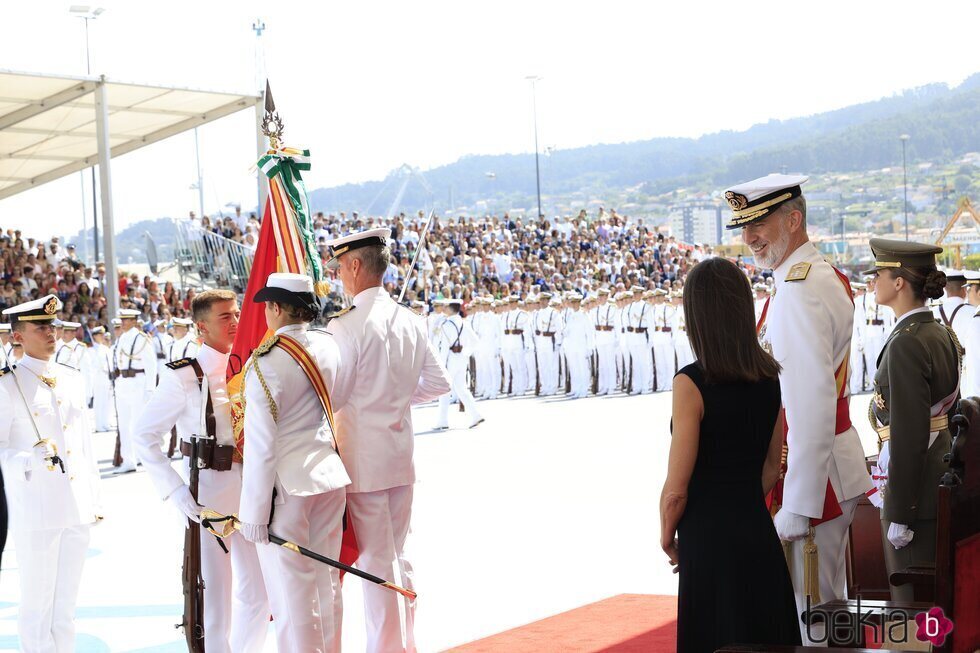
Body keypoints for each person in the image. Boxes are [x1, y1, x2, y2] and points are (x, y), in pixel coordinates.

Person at [732, 173, 872, 639]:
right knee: (828, 612)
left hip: (816, 477)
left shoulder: (797, 289)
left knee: (809, 619)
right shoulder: (817, 274)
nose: (749, 238)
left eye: (759, 225)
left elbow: (808, 400)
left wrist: (799, 501)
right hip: (831, 463)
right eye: (744, 228)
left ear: (793, 220)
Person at [661, 257, 800, 653]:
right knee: (762, 636)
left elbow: (677, 489)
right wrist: (740, 502)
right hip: (755, 530)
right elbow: (773, 466)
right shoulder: (769, 374)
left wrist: (667, 534)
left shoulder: (690, 383)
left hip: (708, 541)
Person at [324, 227, 451, 653]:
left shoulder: (346, 325)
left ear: (356, 266)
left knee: (379, 563)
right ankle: (406, 644)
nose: (340, 275)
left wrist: (371, 403)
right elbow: (438, 382)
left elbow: (336, 395)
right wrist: (393, 400)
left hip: (364, 461)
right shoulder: (411, 320)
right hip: (400, 456)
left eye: (341, 266)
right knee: (398, 557)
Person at [132, 289, 269, 653]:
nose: (235, 322)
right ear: (201, 327)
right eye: (225, 317)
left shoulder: (251, 366)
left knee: (260, 591)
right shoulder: (185, 375)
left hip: (251, 489)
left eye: (237, 314)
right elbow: (144, 435)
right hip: (208, 493)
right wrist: (177, 492)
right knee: (216, 595)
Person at [237, 273, 351, 652]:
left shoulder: (266, 362)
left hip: (288, 490)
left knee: (292, 598)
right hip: (329, 474)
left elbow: (261, 446)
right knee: (327, 584)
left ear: (276, 308)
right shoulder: (329, 345)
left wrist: (252, 513)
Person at [0, 294, 102, 652]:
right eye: (40, 327)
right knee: (37, 604)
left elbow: (84, 445)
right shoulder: (7, 384)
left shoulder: (71, 378)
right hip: (36, 505)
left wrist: (94, 499)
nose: (50, 332)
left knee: (66, 607)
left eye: (52, 325)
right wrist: (26, 460)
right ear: (17, 336)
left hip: (75, 507)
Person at [863, 239, 960, 602]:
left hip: (915, 493)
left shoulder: (907, 341)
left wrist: (901, 511)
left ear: (899, 281)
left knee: (913, 612)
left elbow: (909, 433)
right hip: (939, 473)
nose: (874, 282)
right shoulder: (938, 331)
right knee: (938, 607)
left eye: (879, 274)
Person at [113, 308, 158, 473]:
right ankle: (128, 460)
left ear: (133, 321)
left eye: (126, 319)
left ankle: (144, 458)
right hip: (123, 383)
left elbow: (151, 364)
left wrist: (150, 389)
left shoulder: (141, 338)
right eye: (122, 319)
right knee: (123, 424)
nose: (122, 323)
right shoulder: (122, 338)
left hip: (138, 383)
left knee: (139, 424)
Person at [434, 299, 484, 430]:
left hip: (449, 360)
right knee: (461, 388)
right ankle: (475, 414)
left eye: (446, 307)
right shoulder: (464, 323)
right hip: (461, 359)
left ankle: (443, 421)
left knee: (444, 391)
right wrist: (465, 353)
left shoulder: (445, 324)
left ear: (451, 308)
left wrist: (441, 365)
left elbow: (444, 348)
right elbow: (475, 342)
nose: (444, 309)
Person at [87, 326, 115, 432]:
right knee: (99, 402)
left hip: (107, 377)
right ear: (94, 336)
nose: (103, 336)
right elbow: (90, 366)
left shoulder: (106, 349)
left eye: (103, 334)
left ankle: (105, 423)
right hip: (97, 378)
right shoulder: (90, 350)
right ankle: (99, 425)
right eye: (100, 335)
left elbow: (111, 364)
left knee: (107, 401)